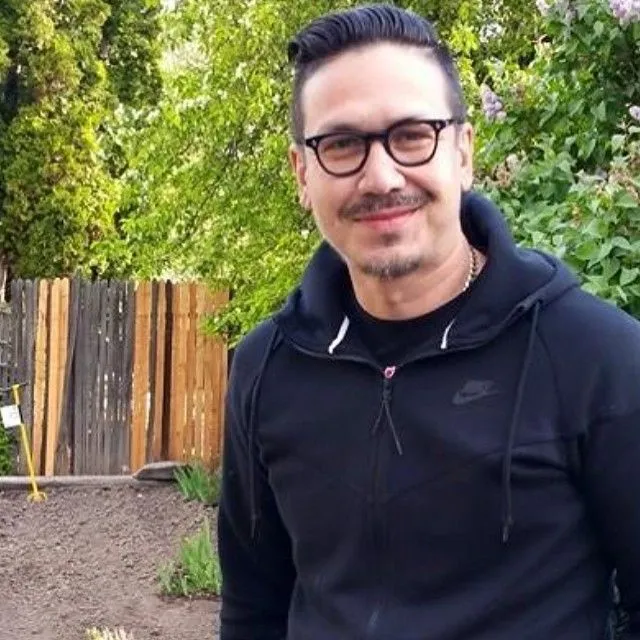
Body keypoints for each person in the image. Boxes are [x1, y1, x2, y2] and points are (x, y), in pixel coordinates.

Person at [217, 4, 640, 639]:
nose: (381, 176)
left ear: (464, 152)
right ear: (302, 173)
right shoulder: (267, 370)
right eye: (341, 144)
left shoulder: (598, 358)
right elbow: (253, 611)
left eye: (413, 134)